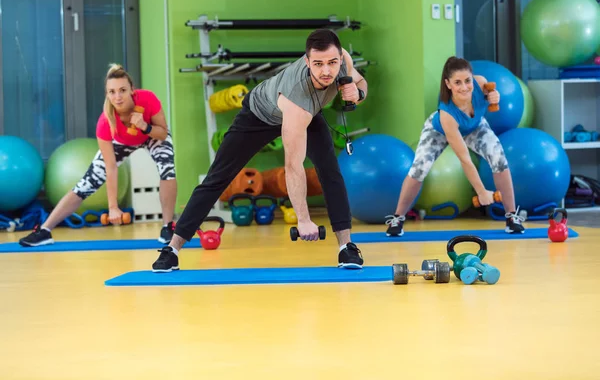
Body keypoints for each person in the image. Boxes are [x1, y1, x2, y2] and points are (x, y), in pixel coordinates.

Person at [151, 28, 368, 273]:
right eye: (318, 64)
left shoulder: (344, 62)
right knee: (218, 178)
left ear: (340, 57)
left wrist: (358, 93)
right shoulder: (297, 98)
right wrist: (304, 220)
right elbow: (293, 166)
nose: (326, 71)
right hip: (259, 116)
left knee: (331, 172)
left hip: (310, 114)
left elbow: (360, 82)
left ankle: (346, 247)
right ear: (307, 62)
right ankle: (172, 249)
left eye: (332, 62)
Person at [19, 64, 178, 247]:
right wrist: (113, 207)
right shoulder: (105, 122)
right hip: (122, 142)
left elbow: (163, 133)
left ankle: (167, 227)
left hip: (152, 135)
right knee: (86, 183)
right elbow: (110, 167)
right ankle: (44, 231)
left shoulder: (148, 99)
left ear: (132, 90)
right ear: (107, 94)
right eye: (112, 92)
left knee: (167, 169)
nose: (117, 97)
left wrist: (145, 127)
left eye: (122, 90)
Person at [385, 56, 525, 237]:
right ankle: (398, 218)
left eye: (467, 80)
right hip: (440, 130)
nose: (464, 87)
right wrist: (481, 191)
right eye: (457, 82)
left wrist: (495, 95)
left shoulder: (481, 83)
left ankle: (512, 216)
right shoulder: (447, 114)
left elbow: (491, 94)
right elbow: (465, 159)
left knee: (499, 158)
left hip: (473, 126)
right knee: (419, 169)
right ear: (448, 84)